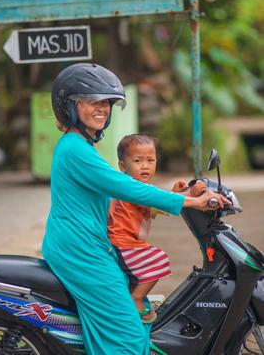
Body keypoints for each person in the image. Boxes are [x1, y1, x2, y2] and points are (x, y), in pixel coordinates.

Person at [42, 62, 230, 355]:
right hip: (80, 252)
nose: (102, 108)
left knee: (136, 321)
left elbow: (128, 196)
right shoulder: (74, 149)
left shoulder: (81, 146)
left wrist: (180, 195)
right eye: (93, 101)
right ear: (70, 105)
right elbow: (126, 186)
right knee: (126, 334)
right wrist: (191, 202)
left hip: (91, 246)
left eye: (106, 102)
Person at [108, 134, 207, 323]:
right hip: (124, 243)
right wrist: (192, 195)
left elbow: (157, 203)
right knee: (158, 260)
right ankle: (135, 299)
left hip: (129, 243)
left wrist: (178, 193)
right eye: (138, 161)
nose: (145, 165)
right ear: (122, 166)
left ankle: (136, 296)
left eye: (150, 160)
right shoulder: (130, 188)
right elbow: (157, 200)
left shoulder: (140, 188)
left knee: (151, 261)